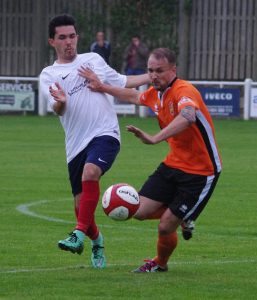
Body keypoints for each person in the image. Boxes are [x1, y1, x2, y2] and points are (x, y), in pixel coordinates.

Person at [79, 48, 222, 272]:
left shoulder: (184, 91)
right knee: (137, 210)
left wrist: (155, 138)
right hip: (173, 164)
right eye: (150, 71)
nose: (154, 75)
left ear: (173, 70)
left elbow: (187, 117)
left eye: (160, 71)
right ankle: (182, 215)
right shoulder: (156, 93)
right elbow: (134, 96)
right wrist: (101, 87)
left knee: (165, 226)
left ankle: (160, 263)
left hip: (201, 172)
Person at [39, 14, 150, 269]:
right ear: (52, 41)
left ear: (77, 37)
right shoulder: (49, 74)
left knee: (92, 171)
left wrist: (152, 75)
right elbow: (55, 108)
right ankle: (96, 241)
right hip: (75, 145)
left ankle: (77, 235)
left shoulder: (93, 60)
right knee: (82, 210)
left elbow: (123, 81)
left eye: (72, 36)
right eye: (63, 37)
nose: (69, 42)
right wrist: (61, 101)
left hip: (105, 133)